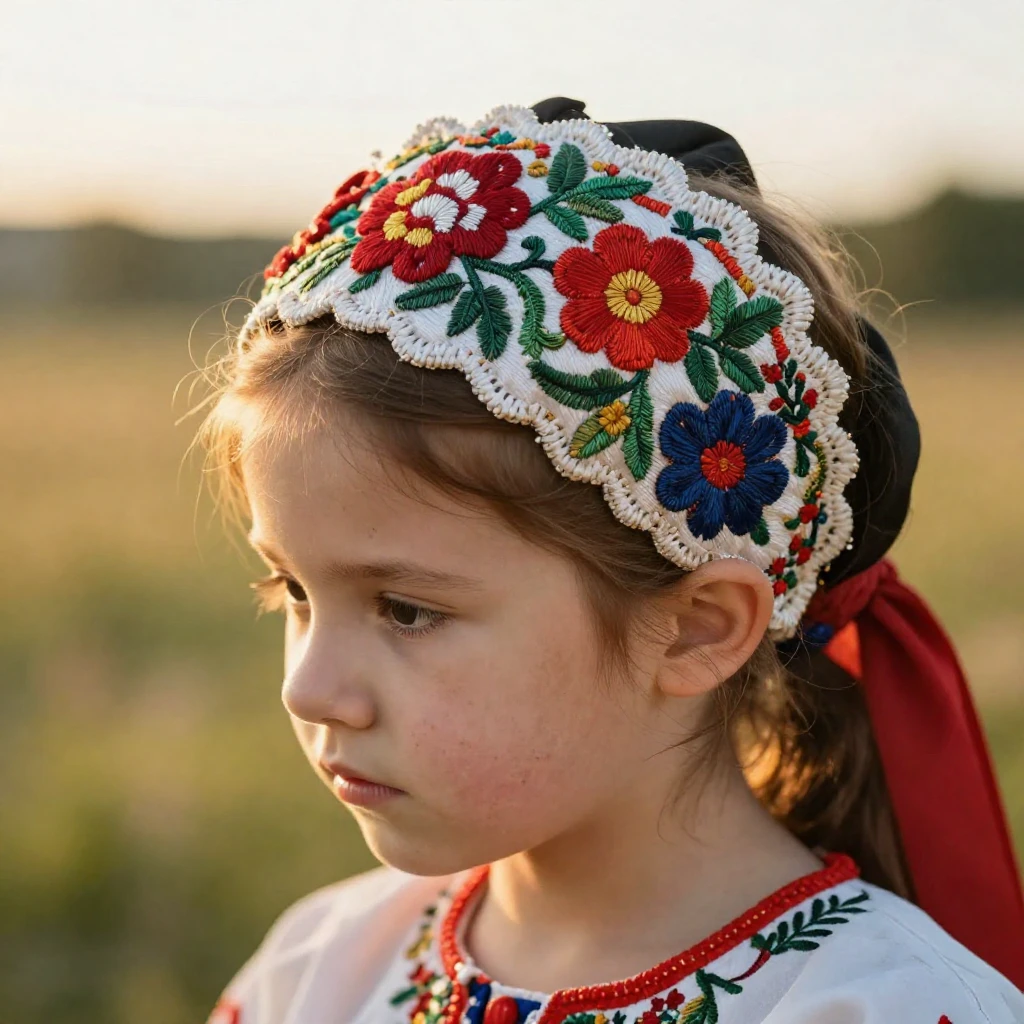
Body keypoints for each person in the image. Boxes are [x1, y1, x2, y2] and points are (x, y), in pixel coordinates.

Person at [195, 98, 1024, 1023]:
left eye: (405, 609)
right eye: (292, 591)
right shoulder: (316, 971)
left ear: (695, 628)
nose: (308, 692)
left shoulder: (877, 1007)